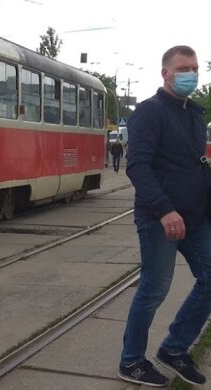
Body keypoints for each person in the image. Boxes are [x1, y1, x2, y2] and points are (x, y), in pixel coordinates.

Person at [117, 45, 210, 387]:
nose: (191, 74)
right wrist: (165, 209)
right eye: (183, 68)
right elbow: (138, 166)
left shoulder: (195, 115)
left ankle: (174, 348)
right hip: (161, 217)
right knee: (154, 288)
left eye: (195, 68)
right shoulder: (150, 112)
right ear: (165, 73)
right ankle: (131, 361)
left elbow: (194, 167)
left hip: (196, 218)